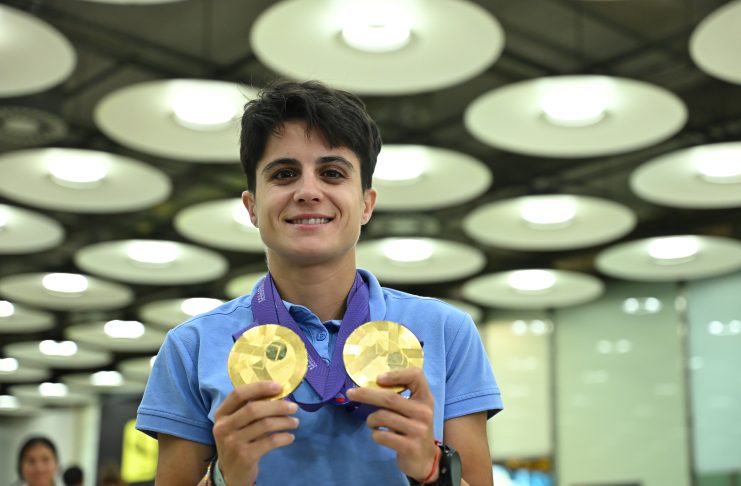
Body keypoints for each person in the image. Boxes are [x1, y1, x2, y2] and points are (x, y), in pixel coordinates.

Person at [136, 80, 503, 486]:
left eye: (331, 173)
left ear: (366, 204)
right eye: (284, 174)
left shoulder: (447, 332)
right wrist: (223, 478)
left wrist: (433, 470)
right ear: (252, 207)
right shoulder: (191, 346)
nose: (308, 191)